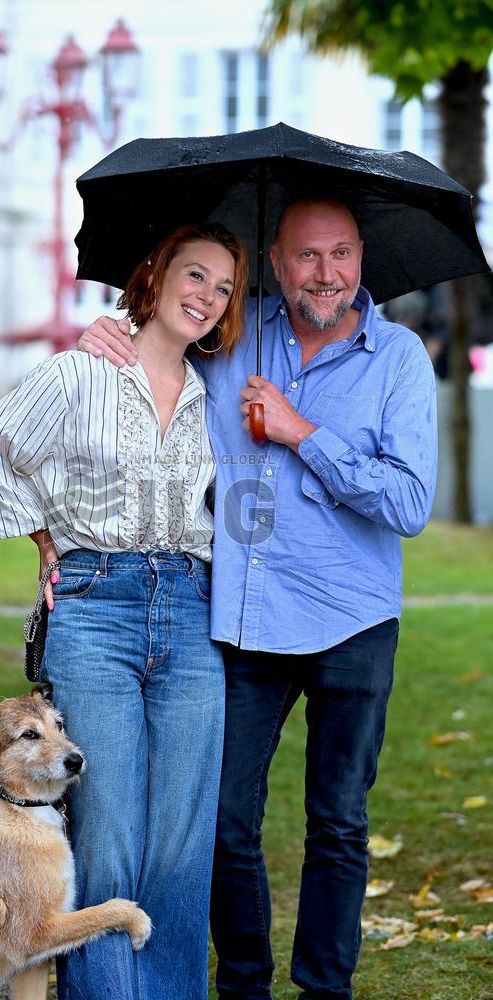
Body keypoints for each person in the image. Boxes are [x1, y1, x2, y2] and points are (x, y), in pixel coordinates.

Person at [78, 198, 438, 1000]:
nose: (327, 274)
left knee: (338, 824)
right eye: (307, 256)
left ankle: (323, 989)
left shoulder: (400, 358)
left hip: (354, 622)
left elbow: (410, 504)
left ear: (360, 260)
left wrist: (303, 432)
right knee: (224, 827)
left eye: (341, 254)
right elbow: (160, 350)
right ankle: (243, 985)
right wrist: (104, 337)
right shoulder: (235, 334)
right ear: (276, 262)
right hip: (244, 621)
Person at [0, 222, 249, 1000]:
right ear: (154, 276)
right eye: (195, 276)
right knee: (110, 833)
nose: (208, 298)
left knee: (185, 842)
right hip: (94, 607)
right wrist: (44, 537)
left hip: (191, 608)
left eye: (223, 288)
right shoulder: (80, 372)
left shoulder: (209, 391)